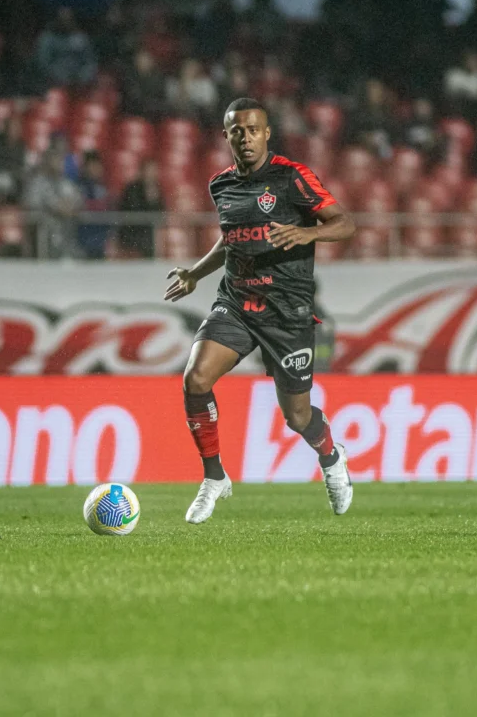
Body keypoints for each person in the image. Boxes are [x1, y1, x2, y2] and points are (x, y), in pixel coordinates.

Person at [163, 98, 356, 524]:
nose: (245, 137)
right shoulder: (221, 186)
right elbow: (230, 238)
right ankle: (214, 478)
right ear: (227, 135)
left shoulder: (292, 178)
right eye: (237, 130)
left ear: (267, 133)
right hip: (236, 301)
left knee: (298, 416)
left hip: (287, 311)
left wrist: (305, 233)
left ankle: (330, 456)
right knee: (195, 378)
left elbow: (344, 223)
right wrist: (195, 273)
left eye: (253, 129)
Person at [116, 158, 164, 258]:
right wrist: (149, 200)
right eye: (149, 170)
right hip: (133, 234)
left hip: (149, 236)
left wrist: (153, 200)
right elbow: (134, 211)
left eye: (154, 170)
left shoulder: (157, 189)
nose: (152, 173)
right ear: (143, 171)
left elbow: (161, 211)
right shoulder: (132, 188)